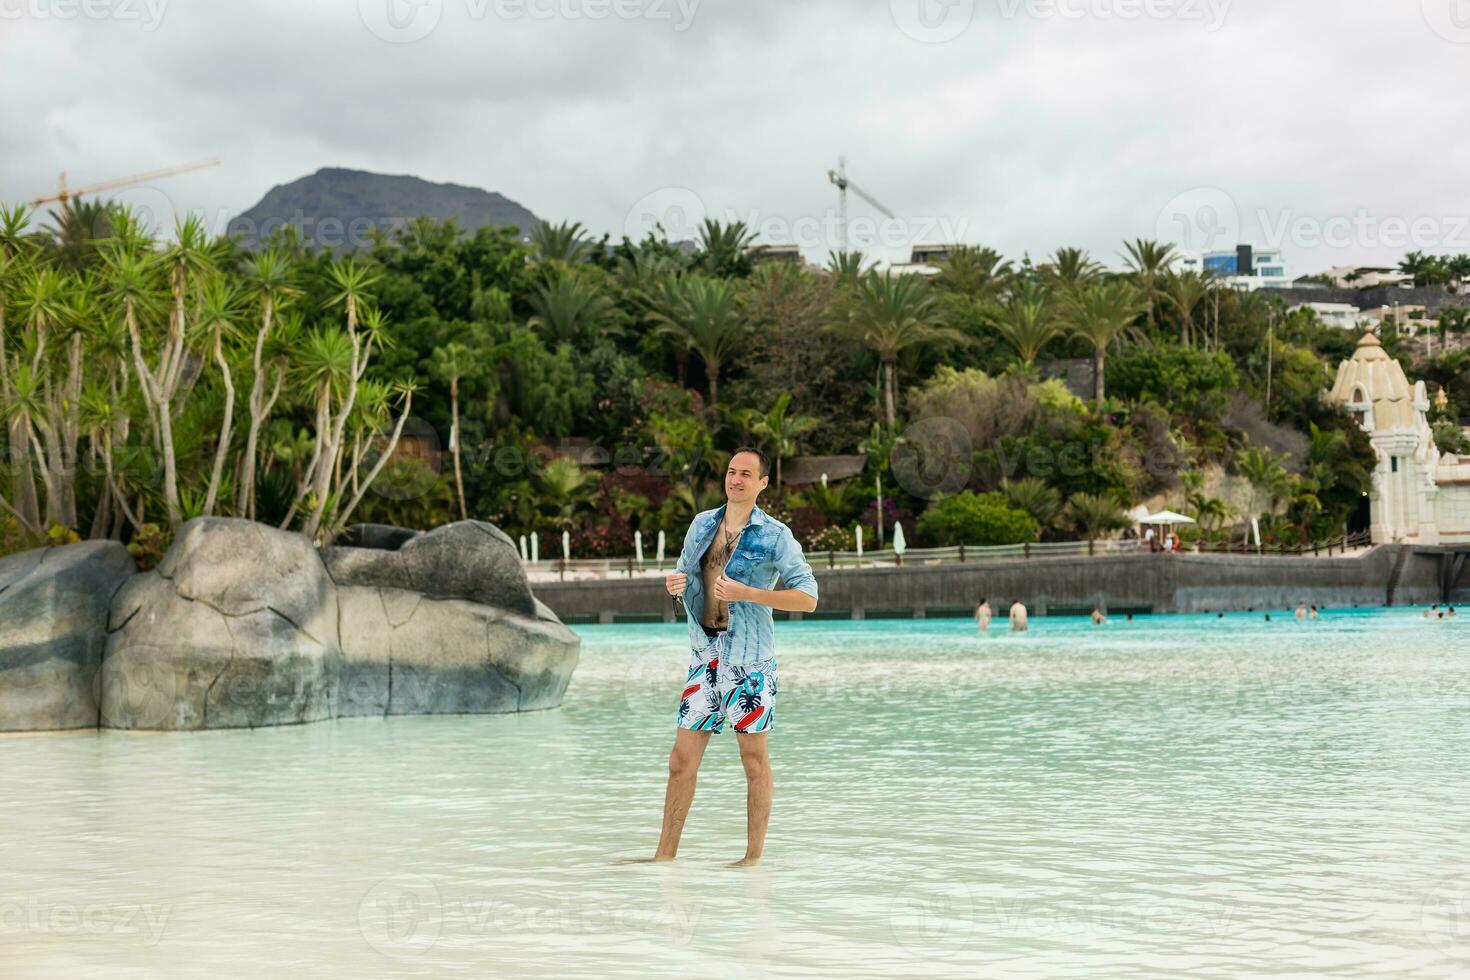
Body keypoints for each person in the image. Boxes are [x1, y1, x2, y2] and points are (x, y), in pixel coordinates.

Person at [656, 448, 818, 867]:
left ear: (763, 483)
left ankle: (751, 860)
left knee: (753, 762)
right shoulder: (702, 524)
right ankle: (663, 858)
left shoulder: (775, 535)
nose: (736, 479)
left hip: (751, 665)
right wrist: (675, 583)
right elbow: (685, 575)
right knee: (680, 762)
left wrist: (749, 593)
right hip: (704, 657)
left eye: (746, 474)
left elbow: (808, 597)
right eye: (731, 472)